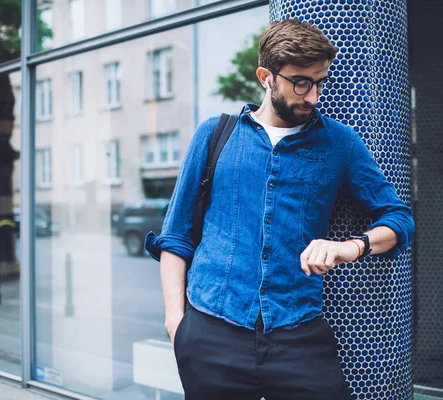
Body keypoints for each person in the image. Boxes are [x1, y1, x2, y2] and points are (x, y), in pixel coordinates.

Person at [145, 19, 415, 399]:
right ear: (266, 77)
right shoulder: (214, 135)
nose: (313, 96)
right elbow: (175, 236)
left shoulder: (339, 142)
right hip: (211, 331)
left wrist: (349, 247)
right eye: (300, 82)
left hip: (299, 334)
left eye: (320, 82)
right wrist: (177, 325)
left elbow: (399, 218)